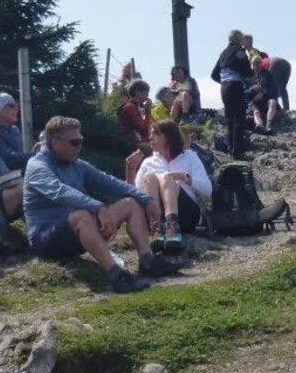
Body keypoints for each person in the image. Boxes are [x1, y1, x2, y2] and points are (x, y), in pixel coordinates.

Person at [23, 116, 187, 293]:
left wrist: (146, 199)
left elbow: (109, 182)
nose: (79, 147)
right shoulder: (37, 166)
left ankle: (147, 261)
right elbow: (59, 191)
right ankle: (116, 275)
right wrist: (98, 207)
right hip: (45, 238)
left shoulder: (76, 165)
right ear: (56, 142)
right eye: (74, 142)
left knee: (131, 203)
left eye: (81, 141)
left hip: (78, 232)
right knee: (82, 215)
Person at [134, 120, 213, 254]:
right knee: (151, 177)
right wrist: (130, 170)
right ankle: (158, 228)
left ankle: (172, 228)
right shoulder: (148, 162)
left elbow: (207, 190)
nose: (150, 137)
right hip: (157, 211)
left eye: (155, 134)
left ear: (168, 137)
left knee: (167, 179)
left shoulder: (190, 157)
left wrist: (184, 178)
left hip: (186, 213)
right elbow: (135, 192)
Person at [211, 29, 253, 158]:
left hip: (224, 88)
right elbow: (247, 71)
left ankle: (230, 149)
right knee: (239, 118)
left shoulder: (223, 53)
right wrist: (250, 75)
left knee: (229, 119)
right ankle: (238, 151)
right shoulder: (240, 51)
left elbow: (214, 74)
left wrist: (224, 81)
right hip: (236, 86)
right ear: (238, 39)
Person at [117, 79, 154, 182]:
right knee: (158, 150)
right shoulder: (130, 107)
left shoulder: (138, 107)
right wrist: (148, 111)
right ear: (137, 92)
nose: (147, 96)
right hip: (133, 141)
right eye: (146, 92)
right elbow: (142, 127)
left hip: (140, 140)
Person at [0, 91, 30, 171]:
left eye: (17, 105)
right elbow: (10, 160)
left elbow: (19, 157)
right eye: (11, 106)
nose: (16, 109)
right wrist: (39, 154)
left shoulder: (14, 130)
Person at [247, 55, 281, 133]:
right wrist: (251, 89)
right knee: (255, 111)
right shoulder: (248, 76)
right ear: (251, 64)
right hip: (254, 102)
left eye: (258, 63)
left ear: (261, 63)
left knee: (272, 102)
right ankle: (260, 126)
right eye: (254, 63)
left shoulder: (268, 74)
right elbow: (244, 92)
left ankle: (268, 125)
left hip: (267, 100)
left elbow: (275, 90)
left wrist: (263, 93)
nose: (256, 65)